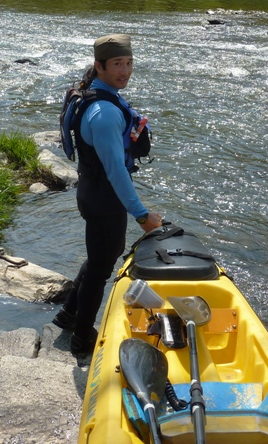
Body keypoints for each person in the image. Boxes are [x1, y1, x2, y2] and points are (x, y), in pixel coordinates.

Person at [53, 33, 163, 355]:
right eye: (117, 64)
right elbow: (116, 170)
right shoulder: (104, 114)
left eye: (129, 63)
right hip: (104, 198)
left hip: (92, 190)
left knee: (98, 256)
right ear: (99, 66)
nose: (125, 71)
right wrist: (142, 215)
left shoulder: (98, 96)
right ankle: (82, 338)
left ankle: (67, 314)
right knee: (101, 270)